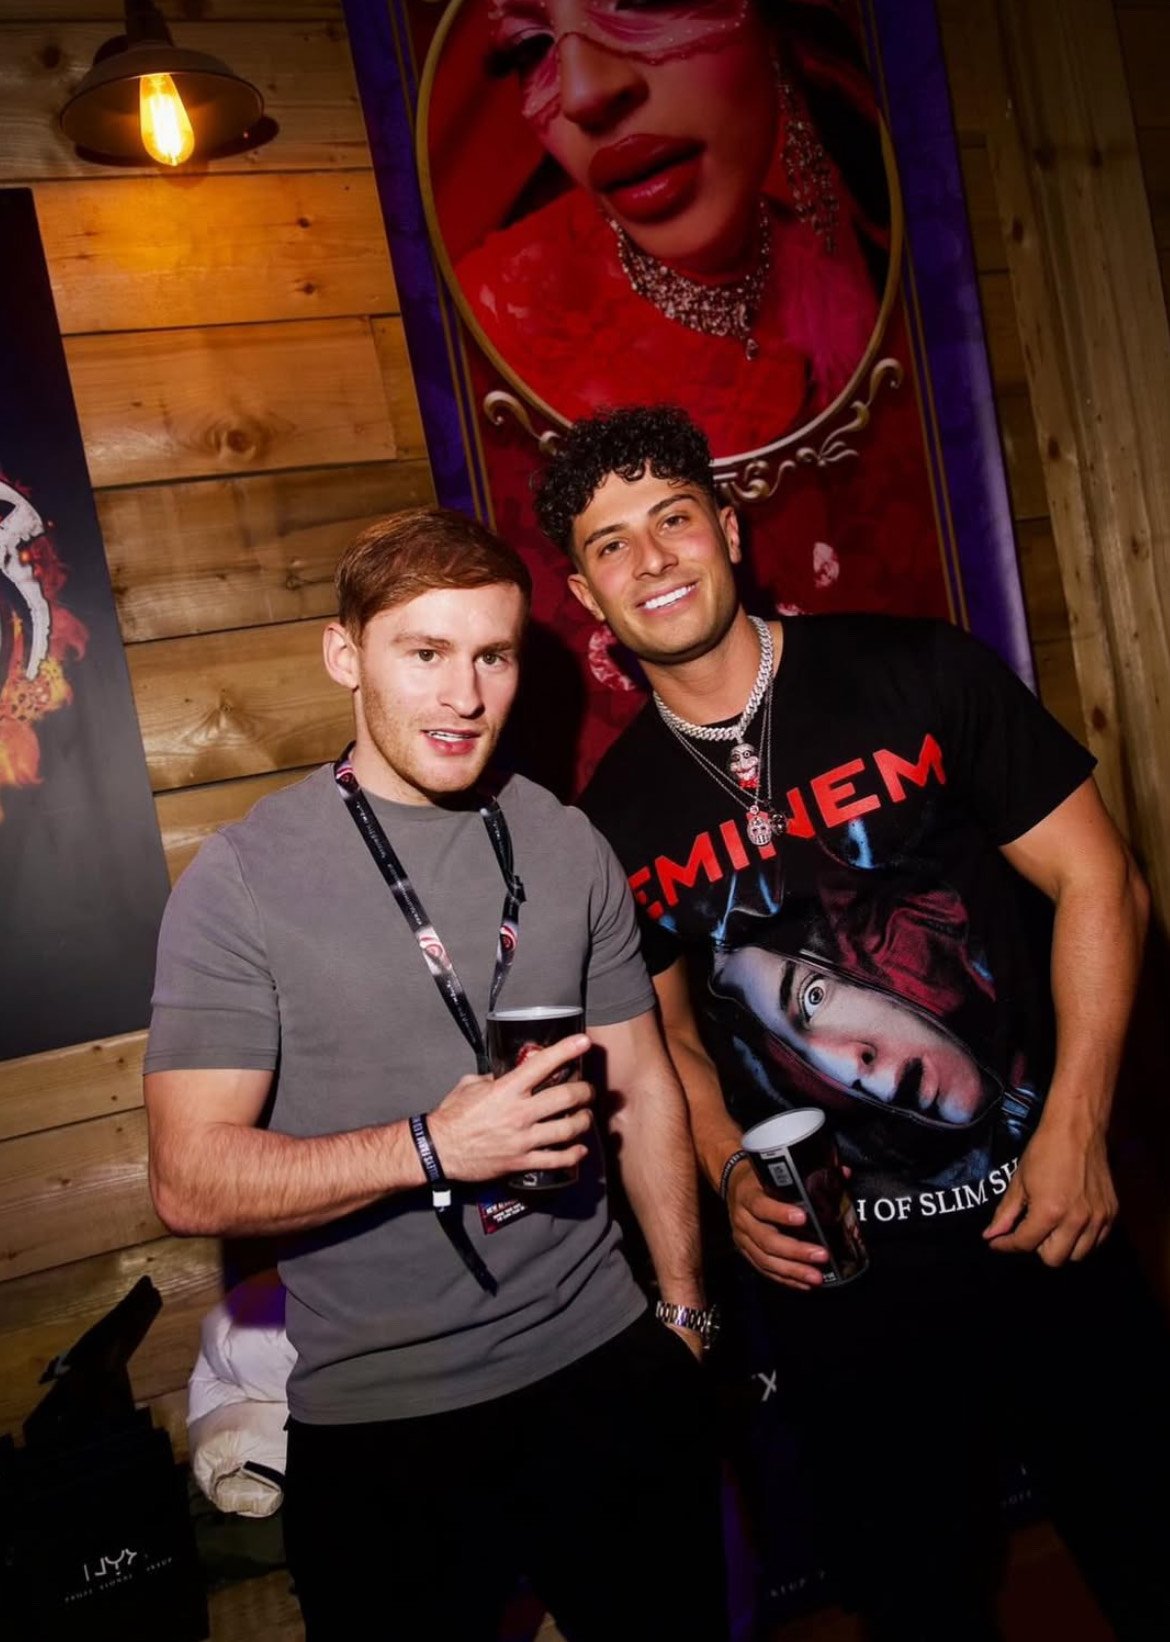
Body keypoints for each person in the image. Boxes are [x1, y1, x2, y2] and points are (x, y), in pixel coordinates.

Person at [534, 404, 1170, 1640]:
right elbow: (664, 1039)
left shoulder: (916, 671)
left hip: (1046, 1217)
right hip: (850, 1289)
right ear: (583, 592)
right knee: (916, 1603)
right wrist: (725, 1170)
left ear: (728, 526)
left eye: (673, 519)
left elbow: (1106, 881)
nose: (653, 558)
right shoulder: (611, 823)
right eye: (613, 544)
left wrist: (1080, 1123)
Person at [143, 507, 727, 1642]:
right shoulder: (243, 880)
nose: (465, 695)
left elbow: (647, 1082)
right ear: (345, 655)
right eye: (425, 653)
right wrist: (432, 1147)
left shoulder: (562, 841)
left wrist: (687, 1313)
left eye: (492, 655)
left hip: (606, 1364)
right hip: (385, 1415)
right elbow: (191, 1178)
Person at [441, 0, 884, 450]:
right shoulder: (484, 337)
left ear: (773, 26)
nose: (582, 95)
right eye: (530, 48)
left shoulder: (869, 263)